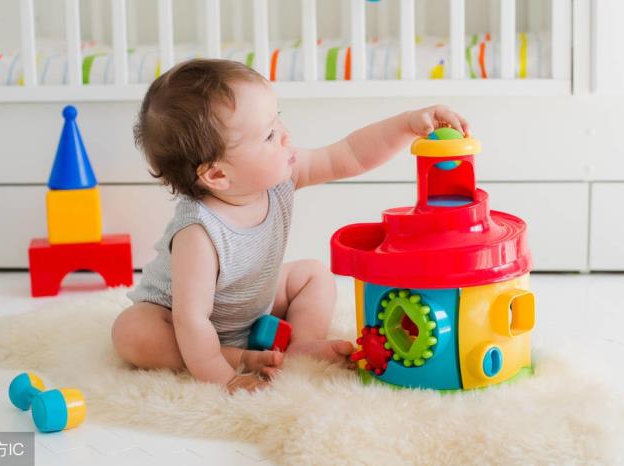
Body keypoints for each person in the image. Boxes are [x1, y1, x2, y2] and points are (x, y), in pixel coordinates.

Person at [111, 58, 469, 394]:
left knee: (313, 274)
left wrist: (407, 124)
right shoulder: (199, 232)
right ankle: (234, 355)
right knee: (133, 333)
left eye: (278, 120)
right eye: (269, 136)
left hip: (253, 301)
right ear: (218, 175)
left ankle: (303, 343)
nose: (285, 135)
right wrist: (225, 378)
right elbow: (192, 321)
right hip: (178, 321)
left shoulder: (281, 177)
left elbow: (350, 154)